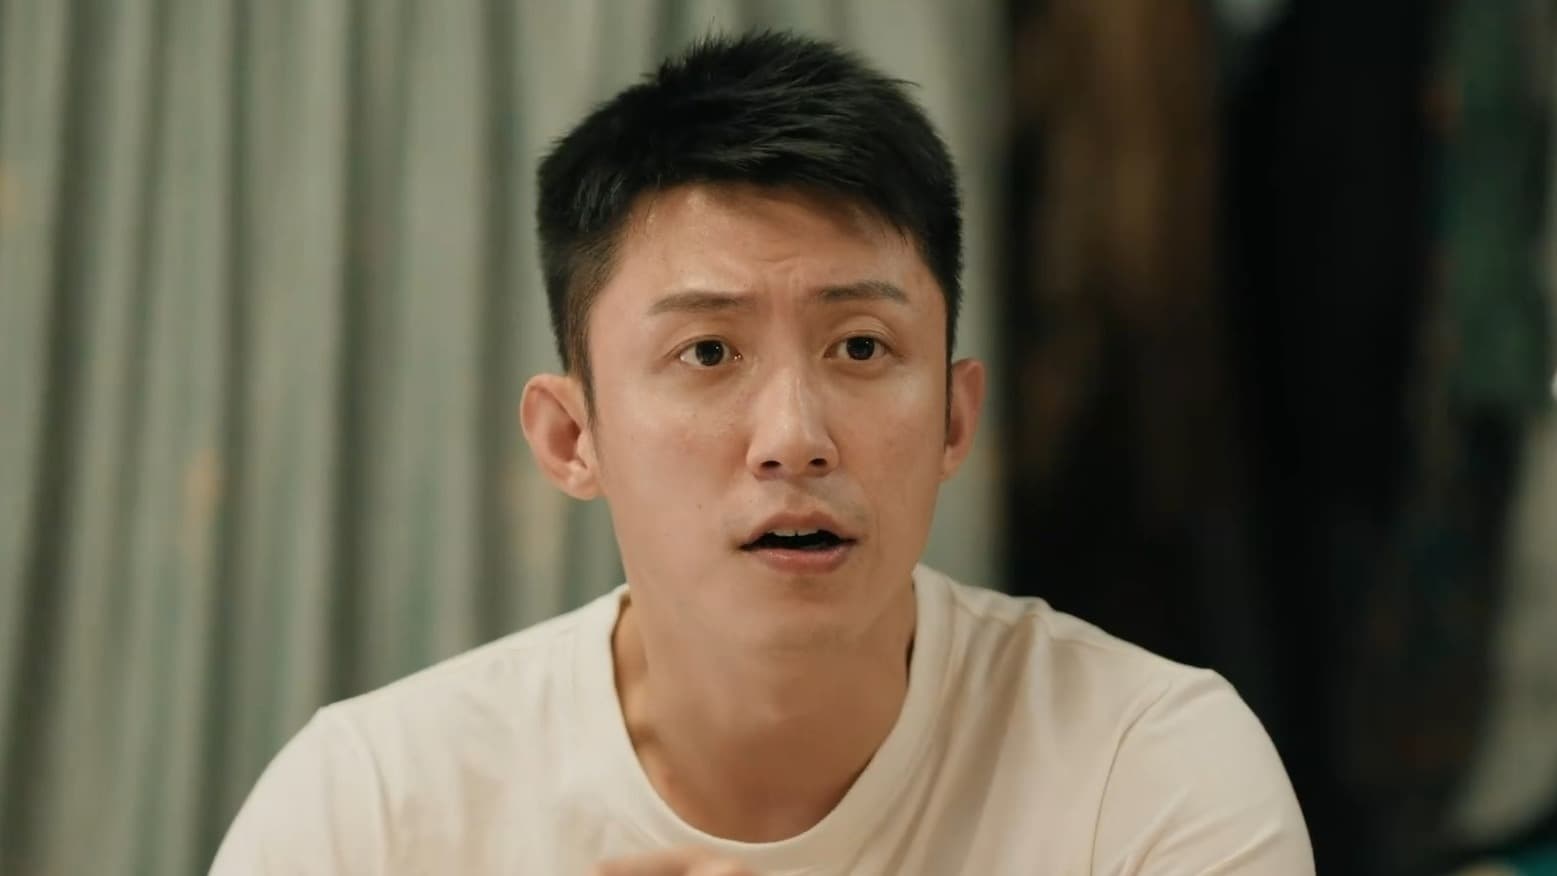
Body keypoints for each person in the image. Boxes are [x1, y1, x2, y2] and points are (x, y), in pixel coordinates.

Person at [211, 30, 1313, 875]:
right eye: (707, 352)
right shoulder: (372, 809)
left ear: (953, 419)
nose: (794, 440)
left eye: (861, 346)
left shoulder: (1146, 765)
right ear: (571, 437)